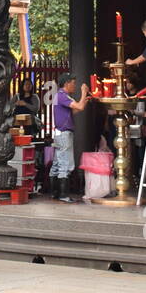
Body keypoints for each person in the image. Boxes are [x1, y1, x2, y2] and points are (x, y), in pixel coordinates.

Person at [48, 74, 89, 203]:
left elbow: (73, 111)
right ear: (66, 83)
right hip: (64, 134)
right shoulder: (62, 95)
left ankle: (54, 192)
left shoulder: (59, 96)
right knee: (65, 163)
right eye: (73, 83)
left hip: (59, 133)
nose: (75, 86)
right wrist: (83, 93)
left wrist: (84, 100)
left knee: (57, 163)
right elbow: (79, 107)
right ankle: (63, 195)